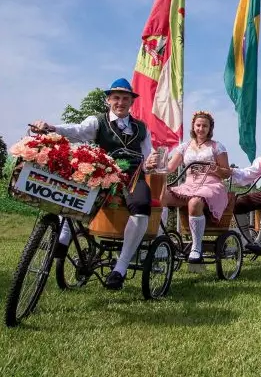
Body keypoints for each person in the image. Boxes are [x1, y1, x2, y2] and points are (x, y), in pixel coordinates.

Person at [31, 78, 159, 290]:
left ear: (131, 102)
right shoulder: (98, 121)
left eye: (125, 98)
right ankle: (63, 238)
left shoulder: (142, 128)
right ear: (108, 100)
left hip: (132, 175)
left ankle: (121, 267)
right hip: (102, 173)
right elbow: (76, 131)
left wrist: (153, 160)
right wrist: (50, 128)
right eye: (116, 98)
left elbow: (148, 154)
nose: (120, 102)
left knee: (142, 207)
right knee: (73, 190)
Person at [159, 111, 231, 264]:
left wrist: (214, 169)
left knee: (195, 202)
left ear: (210, 128)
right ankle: (160, 240)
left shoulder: (217, 146)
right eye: (198, 125)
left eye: (205, 126)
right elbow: (170, 168)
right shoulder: (184, 146)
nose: (201, 128)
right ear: (193, 126)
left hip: (211, 185)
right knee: (162, 195)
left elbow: (226, 173)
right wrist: (155, 162)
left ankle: (196, 247)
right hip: (189, 185)